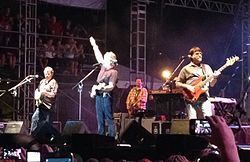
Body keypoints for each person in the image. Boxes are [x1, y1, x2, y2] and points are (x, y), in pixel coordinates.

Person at [175, 47, 220, 119]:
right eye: (197, 54)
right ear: (191, 56)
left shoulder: (206, 67)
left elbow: (212, 84)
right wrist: (187, 86)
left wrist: (215, 77)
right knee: (192, 119)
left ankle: (208, 130)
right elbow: (177, 83)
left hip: (204, 96)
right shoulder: (186, 69)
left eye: (200, 54)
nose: (200, 55)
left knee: (209, 118)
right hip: (191, 97)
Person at [89, 36, 118, 137]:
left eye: (106, 59)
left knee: (109, 118)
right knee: (99, 118)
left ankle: (111, 137)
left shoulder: (113, 72)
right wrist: (94, 45)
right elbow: (99, 57)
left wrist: (100, 88)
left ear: (110, 61)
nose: (103, 61)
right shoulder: (103, 68)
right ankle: (101, 137)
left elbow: (111, 86)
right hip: (99, 96)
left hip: (106, 96)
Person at [30, 66, 58, 134]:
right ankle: (32, 136)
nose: (47, 75)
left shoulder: (53, 82)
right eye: (45, 74)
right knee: (35, 119)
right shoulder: (42, 81)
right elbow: (38, 91)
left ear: (52, 74)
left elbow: (53, 94)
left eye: (48, 74)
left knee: (47, 124)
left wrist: (45, 93)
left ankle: (47, 141)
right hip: (40, 105)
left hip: (48, 107)